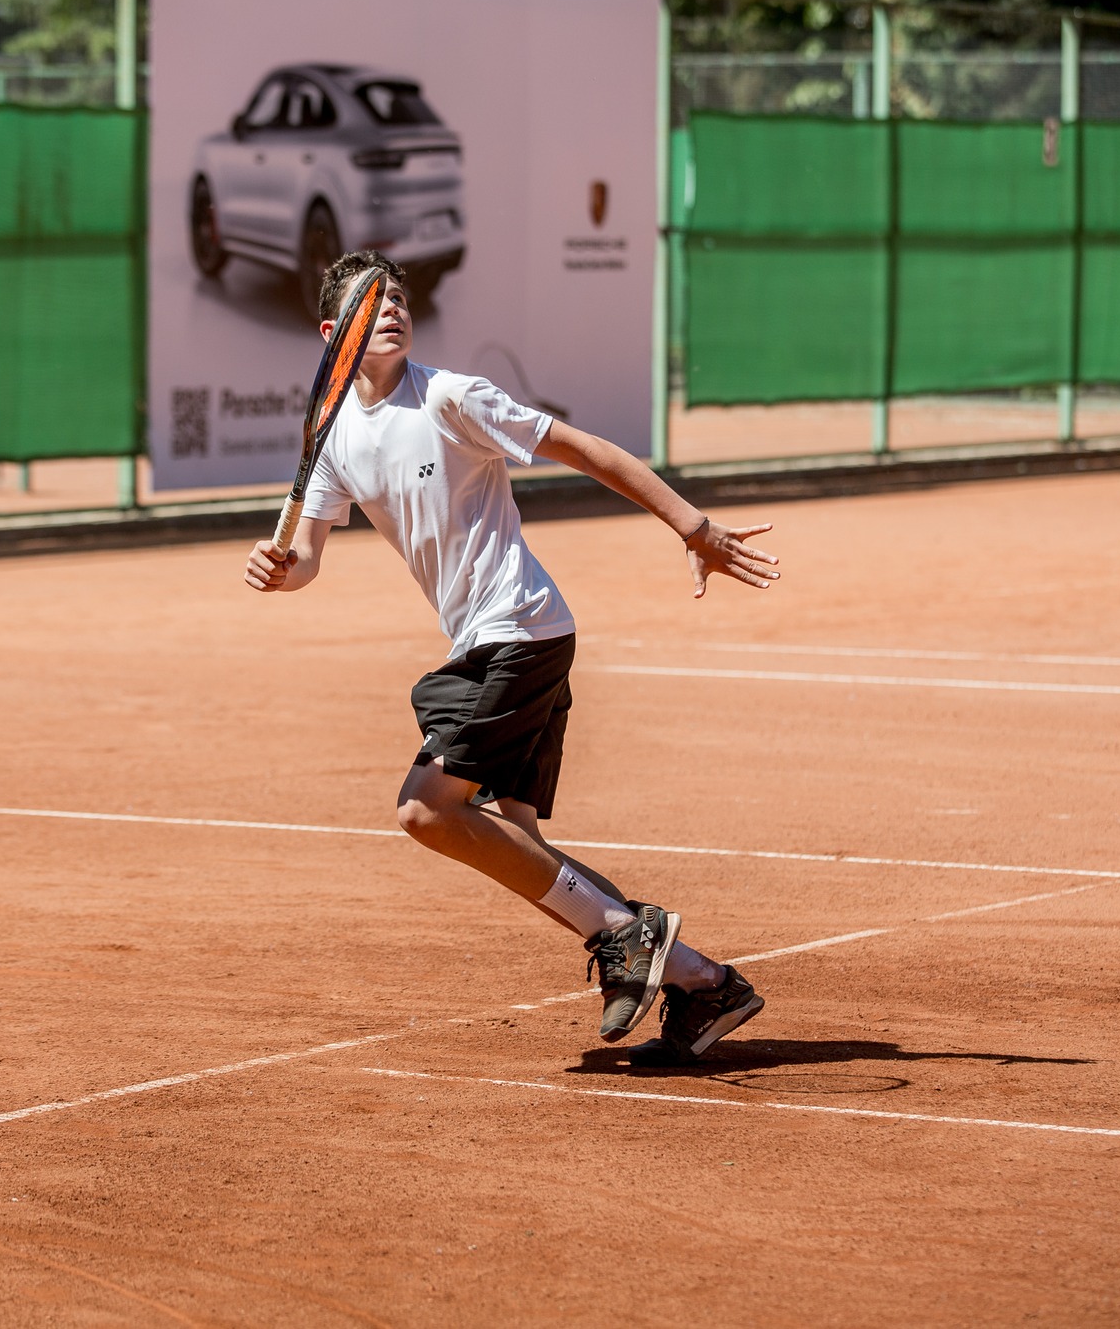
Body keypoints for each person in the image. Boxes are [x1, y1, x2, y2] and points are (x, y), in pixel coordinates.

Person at [243, 250, 782, 1064]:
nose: (393, 309)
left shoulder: (452, 397)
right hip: (489, 641)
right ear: (332, 333)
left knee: (426, 809)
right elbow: (309, 557)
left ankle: (627, 933)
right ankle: (705, 983)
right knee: (516, 842)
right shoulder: (333, 432)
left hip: (521, 629)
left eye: (399, 297)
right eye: (371, 303)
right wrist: (281, 571)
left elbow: (586, 449)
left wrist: (692, 525)